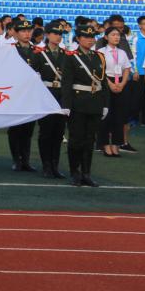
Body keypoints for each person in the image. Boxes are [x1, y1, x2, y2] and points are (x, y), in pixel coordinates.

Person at [61, 23, 108, 187]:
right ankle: (75, 172)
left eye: (92, 37)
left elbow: (103, 83)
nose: (90, 40)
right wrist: (66, 105)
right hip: (78, 103)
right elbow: (66, 83)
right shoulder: (71, 57)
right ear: (79, 39)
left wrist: (105, 104)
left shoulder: (99, 57)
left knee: (90, 140)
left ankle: (86, 173)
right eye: (86, 37)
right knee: (76, 140)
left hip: (95, 103)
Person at [34, 20, 69, 179]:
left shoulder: (66, 55)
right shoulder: (39, 54)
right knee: (46, 132)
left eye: (60, 34)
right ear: (47, 35)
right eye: (55, 33)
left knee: (58, 132)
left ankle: (55, 165)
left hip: (61, 96)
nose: (58, 37)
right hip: (46, 95)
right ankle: (46, 165)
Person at [8, 19, 41, 172]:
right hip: (15, 94)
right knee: (15, 128)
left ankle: (25, 160)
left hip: (31, 94)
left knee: (28, 129)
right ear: (16, 33)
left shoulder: (38, 51)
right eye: (23, 31)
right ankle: (16, 159)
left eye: (29, 31)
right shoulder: (10, 49)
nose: (27, 33)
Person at [97, 25, 132, 159]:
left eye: (118, 35)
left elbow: (127, 68)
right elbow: (99, 71)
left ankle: (116, 145)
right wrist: (110, 84)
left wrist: (122, 83)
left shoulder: (122, 52)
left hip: (121, 83)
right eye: (113, 35)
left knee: (119, 116)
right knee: (106, 115)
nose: (116, 37)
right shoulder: (101, 52)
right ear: (106, 37)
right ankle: (105, 145)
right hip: (106, 82)